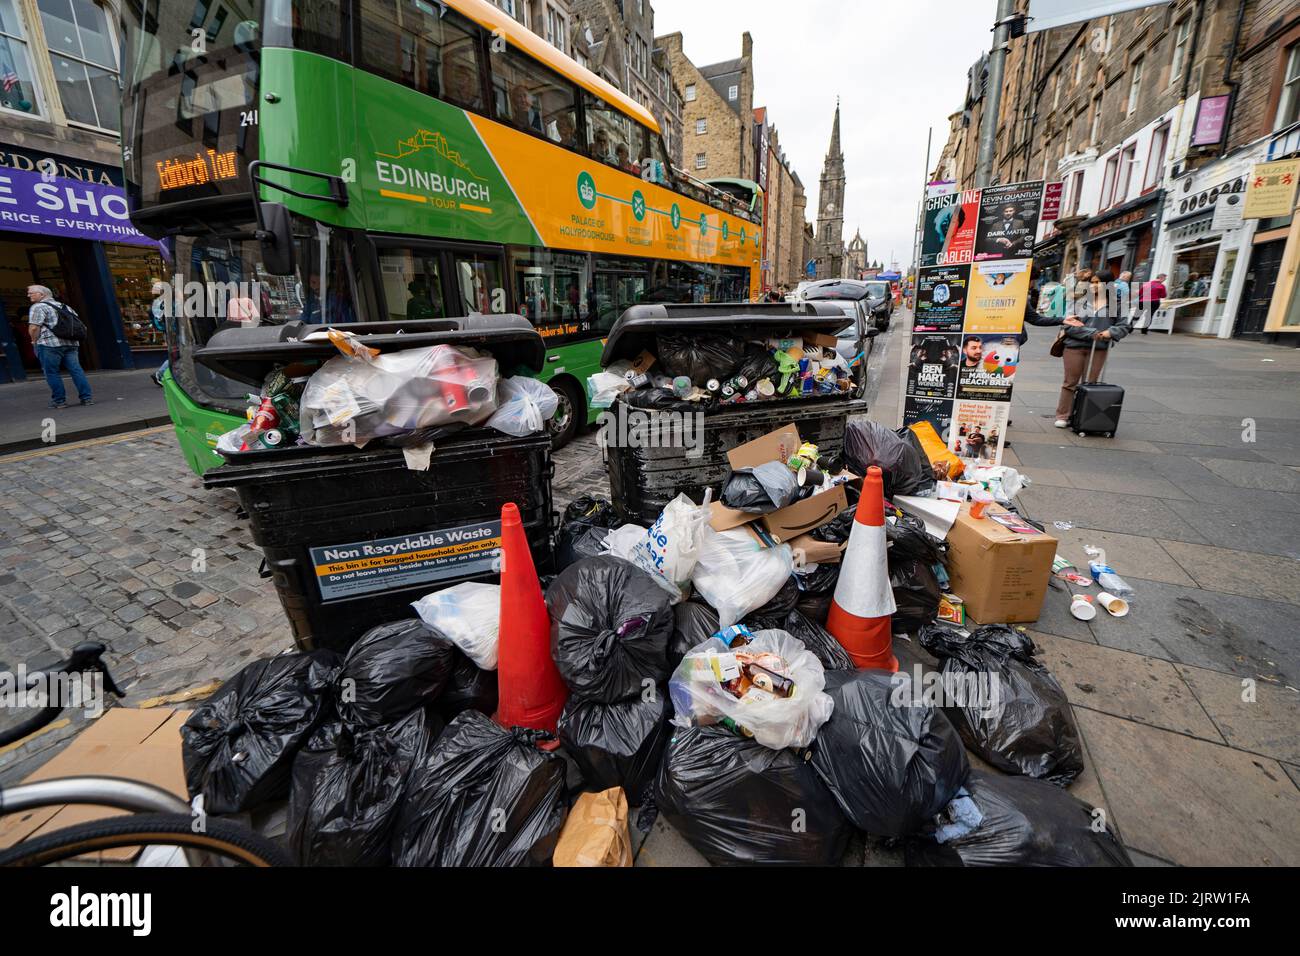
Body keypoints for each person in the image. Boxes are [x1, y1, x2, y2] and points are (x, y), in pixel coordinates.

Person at [1053, 269, 1130, 428]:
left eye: (1098, 283)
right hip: (1074, 346)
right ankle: (1063, 415)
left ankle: (1082, 414)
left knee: (1090, 383)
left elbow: (1124, 326)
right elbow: (1068, 324)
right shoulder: (1080, 300)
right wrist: (1092, 333)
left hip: (1099, 348)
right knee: (1070, 382)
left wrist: (1110, 332)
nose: (1094, 286)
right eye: (1092, 282)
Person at [27, 285, 93, 409]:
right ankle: (86, 398)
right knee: (76, 370)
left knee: (52, 373)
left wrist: (33, 341)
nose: (28, 295)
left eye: (31, 293)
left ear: (42, 295)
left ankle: (59, 401)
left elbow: (34, 327)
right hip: (71, 343)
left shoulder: (38, 307)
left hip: (49, 344)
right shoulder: (65, 306)